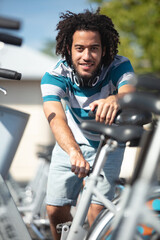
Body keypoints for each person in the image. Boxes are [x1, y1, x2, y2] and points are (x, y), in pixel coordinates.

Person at [41, 8, 135, 240]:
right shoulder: (54, 75)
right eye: (80, 48)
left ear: (104, 50)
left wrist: (116, 98)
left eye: (94, 48)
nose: (87, 56)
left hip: (108, 145)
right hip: (71, 142)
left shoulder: (119, 65)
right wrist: (73, 151)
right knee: (55, 209)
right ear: (68, 49)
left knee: (98, 213)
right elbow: (55, 115)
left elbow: (128, 91)